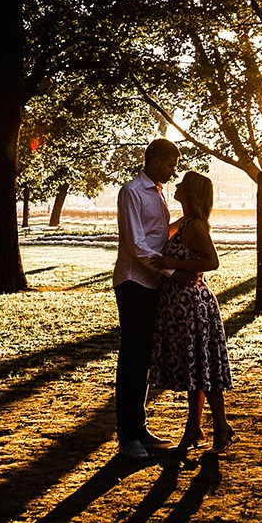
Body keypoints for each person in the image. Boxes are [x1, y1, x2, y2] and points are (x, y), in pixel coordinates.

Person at [150, 171, 233, 455]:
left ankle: (221, 427)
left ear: (191, 193)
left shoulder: (196, 226)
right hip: (181, 304)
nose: (177, 185)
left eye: (183, 184)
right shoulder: (185, 222)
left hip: (192, 305)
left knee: (202, 367)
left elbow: (212, 261)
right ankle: (194, 428)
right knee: (195, 368)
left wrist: (172, 263)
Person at [113, 138, 179, 459]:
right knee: (132, 358)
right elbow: (137, 244)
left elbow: (159, 236)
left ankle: (139, 429)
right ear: (154, 161)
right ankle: (128, 438)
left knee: (144, 358)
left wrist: (188, 221)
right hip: (133, 281)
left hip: (152, 283)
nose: (172, 171)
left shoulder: (158, 193)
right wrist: (172, 271)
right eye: (170, 165)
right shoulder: (132, 192)